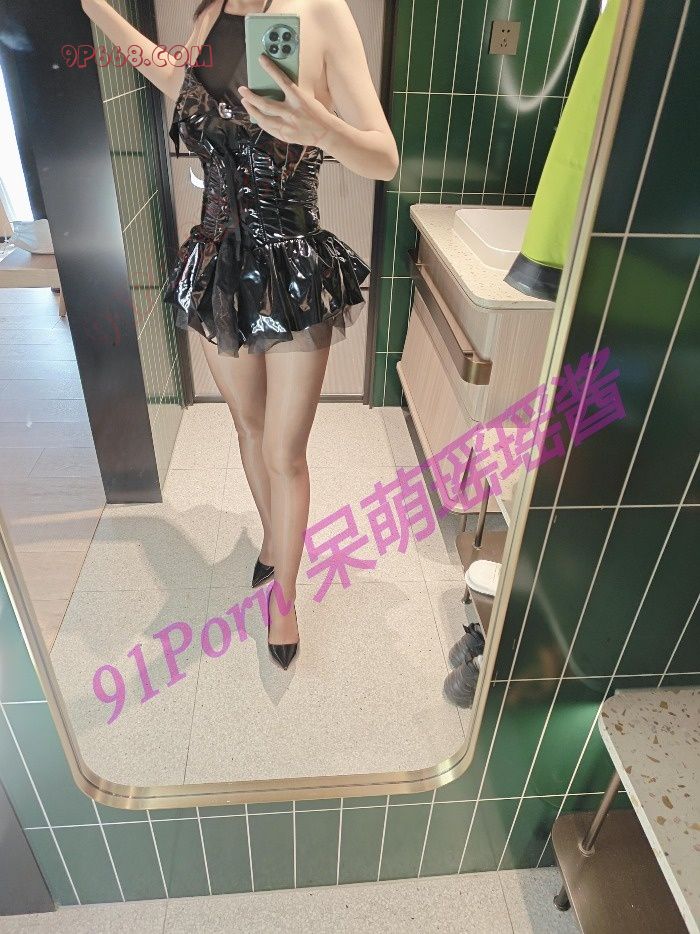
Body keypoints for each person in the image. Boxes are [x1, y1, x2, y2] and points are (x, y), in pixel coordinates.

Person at [79, 0, 399, 669]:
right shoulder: (211, 14)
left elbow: (384, 158)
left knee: (285, 450)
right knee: (249, 430)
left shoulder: (320, 11)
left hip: (293, 268)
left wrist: (322, 125)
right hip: (219, 266)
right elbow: (172, 76)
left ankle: (285, 599)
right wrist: (97, 10)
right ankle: (274, 542)